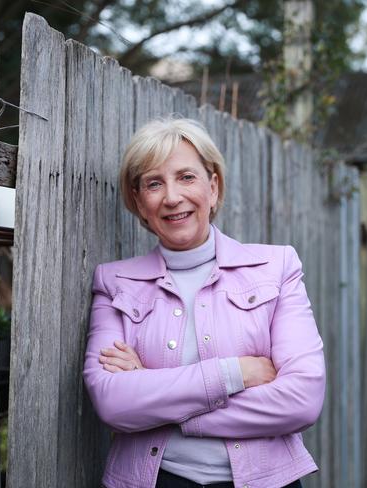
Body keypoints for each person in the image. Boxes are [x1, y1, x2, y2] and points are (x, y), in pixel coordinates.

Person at [83, 117, 326, 488]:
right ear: (138, 201)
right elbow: (112, 403)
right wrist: (234, 374)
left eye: (186, 177)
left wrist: (156, 398)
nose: (172, 197)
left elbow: (302, 399)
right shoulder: (115, 283)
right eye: (153, 183)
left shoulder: (276, 268)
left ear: (213, 187)